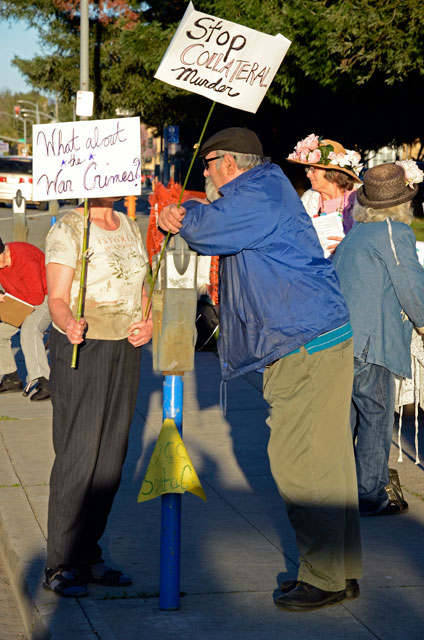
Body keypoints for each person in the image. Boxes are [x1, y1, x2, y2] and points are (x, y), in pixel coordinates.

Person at [158, 127, 362, 612]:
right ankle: (340, 570)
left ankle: (324, 578)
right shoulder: (266, 187)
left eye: (207, 164)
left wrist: (181, 214)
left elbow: (210, 228)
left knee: (301, 464)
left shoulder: (258, 193)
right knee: (330, 464)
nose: (204, 173)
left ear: (229, 162)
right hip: (314, 339)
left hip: (303, 345)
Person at [43, 197, 153, 597]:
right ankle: (59, 562)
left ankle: (88, 555)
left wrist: (149, 321)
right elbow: (56, 296)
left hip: (125, 347)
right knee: (80, 453)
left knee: (110, 457)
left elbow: (142, 286)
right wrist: (68, 322)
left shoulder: (129, 224)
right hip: (81, 346)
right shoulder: (68, 227)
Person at [333, 161, 424, 516]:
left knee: (352, 417)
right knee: (376, 417)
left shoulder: (358, 232)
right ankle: (370, 495)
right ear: (403, 203)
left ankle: (346, 488)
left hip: (345, 338)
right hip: (372, 340)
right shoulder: (393, 233)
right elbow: (412, 286)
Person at [287, 134, 363, 253]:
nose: (308, 175)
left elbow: (372, 239)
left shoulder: (360, 199)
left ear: (334, 173)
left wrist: (349, 246)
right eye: (307, 169)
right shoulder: (308, 200)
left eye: (313, 169)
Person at [0, 238, 51, 400]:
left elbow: (36, 296)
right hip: (20, 300)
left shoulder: (24, 258)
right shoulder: (2, 262)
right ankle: (12, 379)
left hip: (46, 297)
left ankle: (45, 381)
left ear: (3, 253)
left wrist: (7, 299)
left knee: (29, 330)